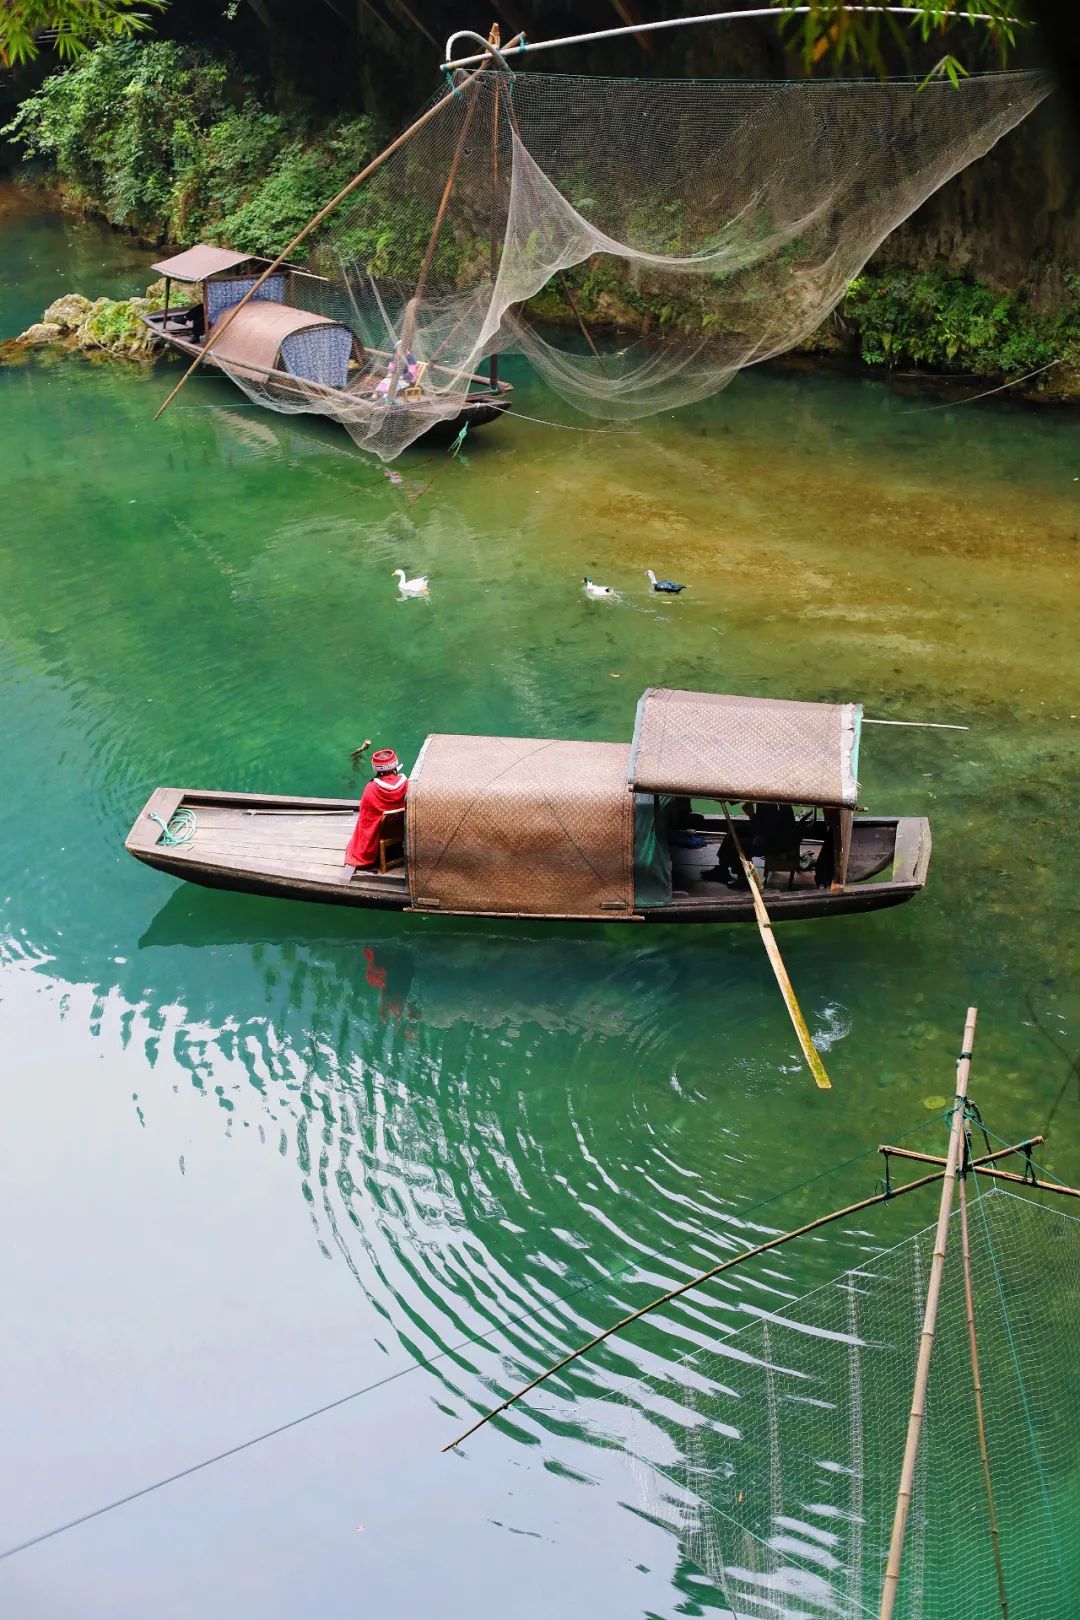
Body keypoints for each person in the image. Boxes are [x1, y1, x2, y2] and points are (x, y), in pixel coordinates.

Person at [704, 800, 798, 886]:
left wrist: (751, 815)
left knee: (740, 844)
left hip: (776, 844)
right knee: (736, 830)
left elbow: (763, 835)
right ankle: (722, 870)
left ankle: (744, 879)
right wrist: (727, 798)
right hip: (770, 834)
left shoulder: (772, 805)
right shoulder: (768, 796)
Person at [345, 748, 408, 871]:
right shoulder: (406, 784)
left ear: (376, 769)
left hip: (380, 834)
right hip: (401, 829)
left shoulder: (371, 788)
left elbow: (365, 819)